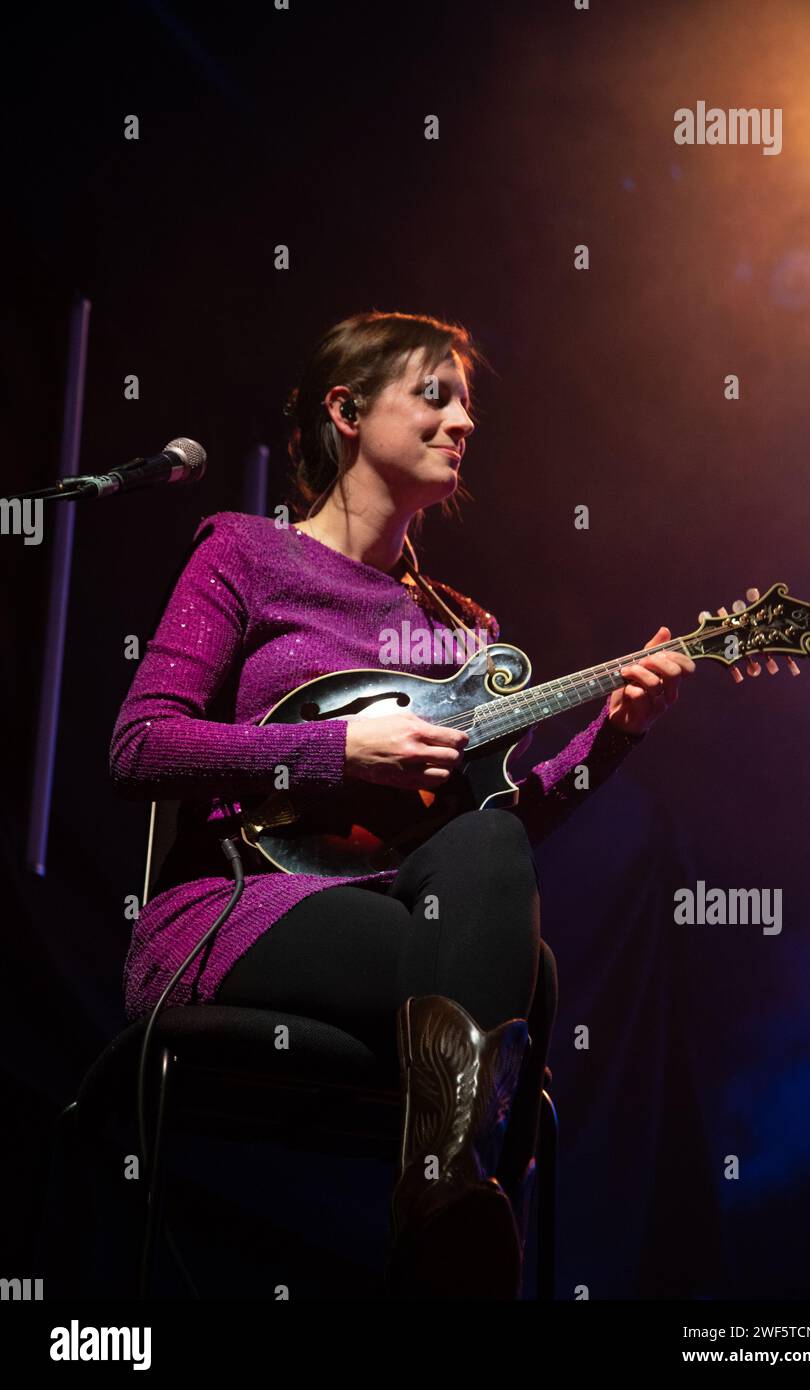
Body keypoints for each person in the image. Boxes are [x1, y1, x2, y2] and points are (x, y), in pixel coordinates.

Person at [109, 309, 696, 1299]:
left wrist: (617, 735)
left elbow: (503, 837)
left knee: (491, 852)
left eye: (467, 402)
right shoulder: (246, 555)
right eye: (435, 394)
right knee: (513, 977)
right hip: (243, 908)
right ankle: (450, 1224)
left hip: (402, 913)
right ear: (346, 410)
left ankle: (439, 1204)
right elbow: (140, 745)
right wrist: (338, 750)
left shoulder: (465, 634)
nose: (463, 419)